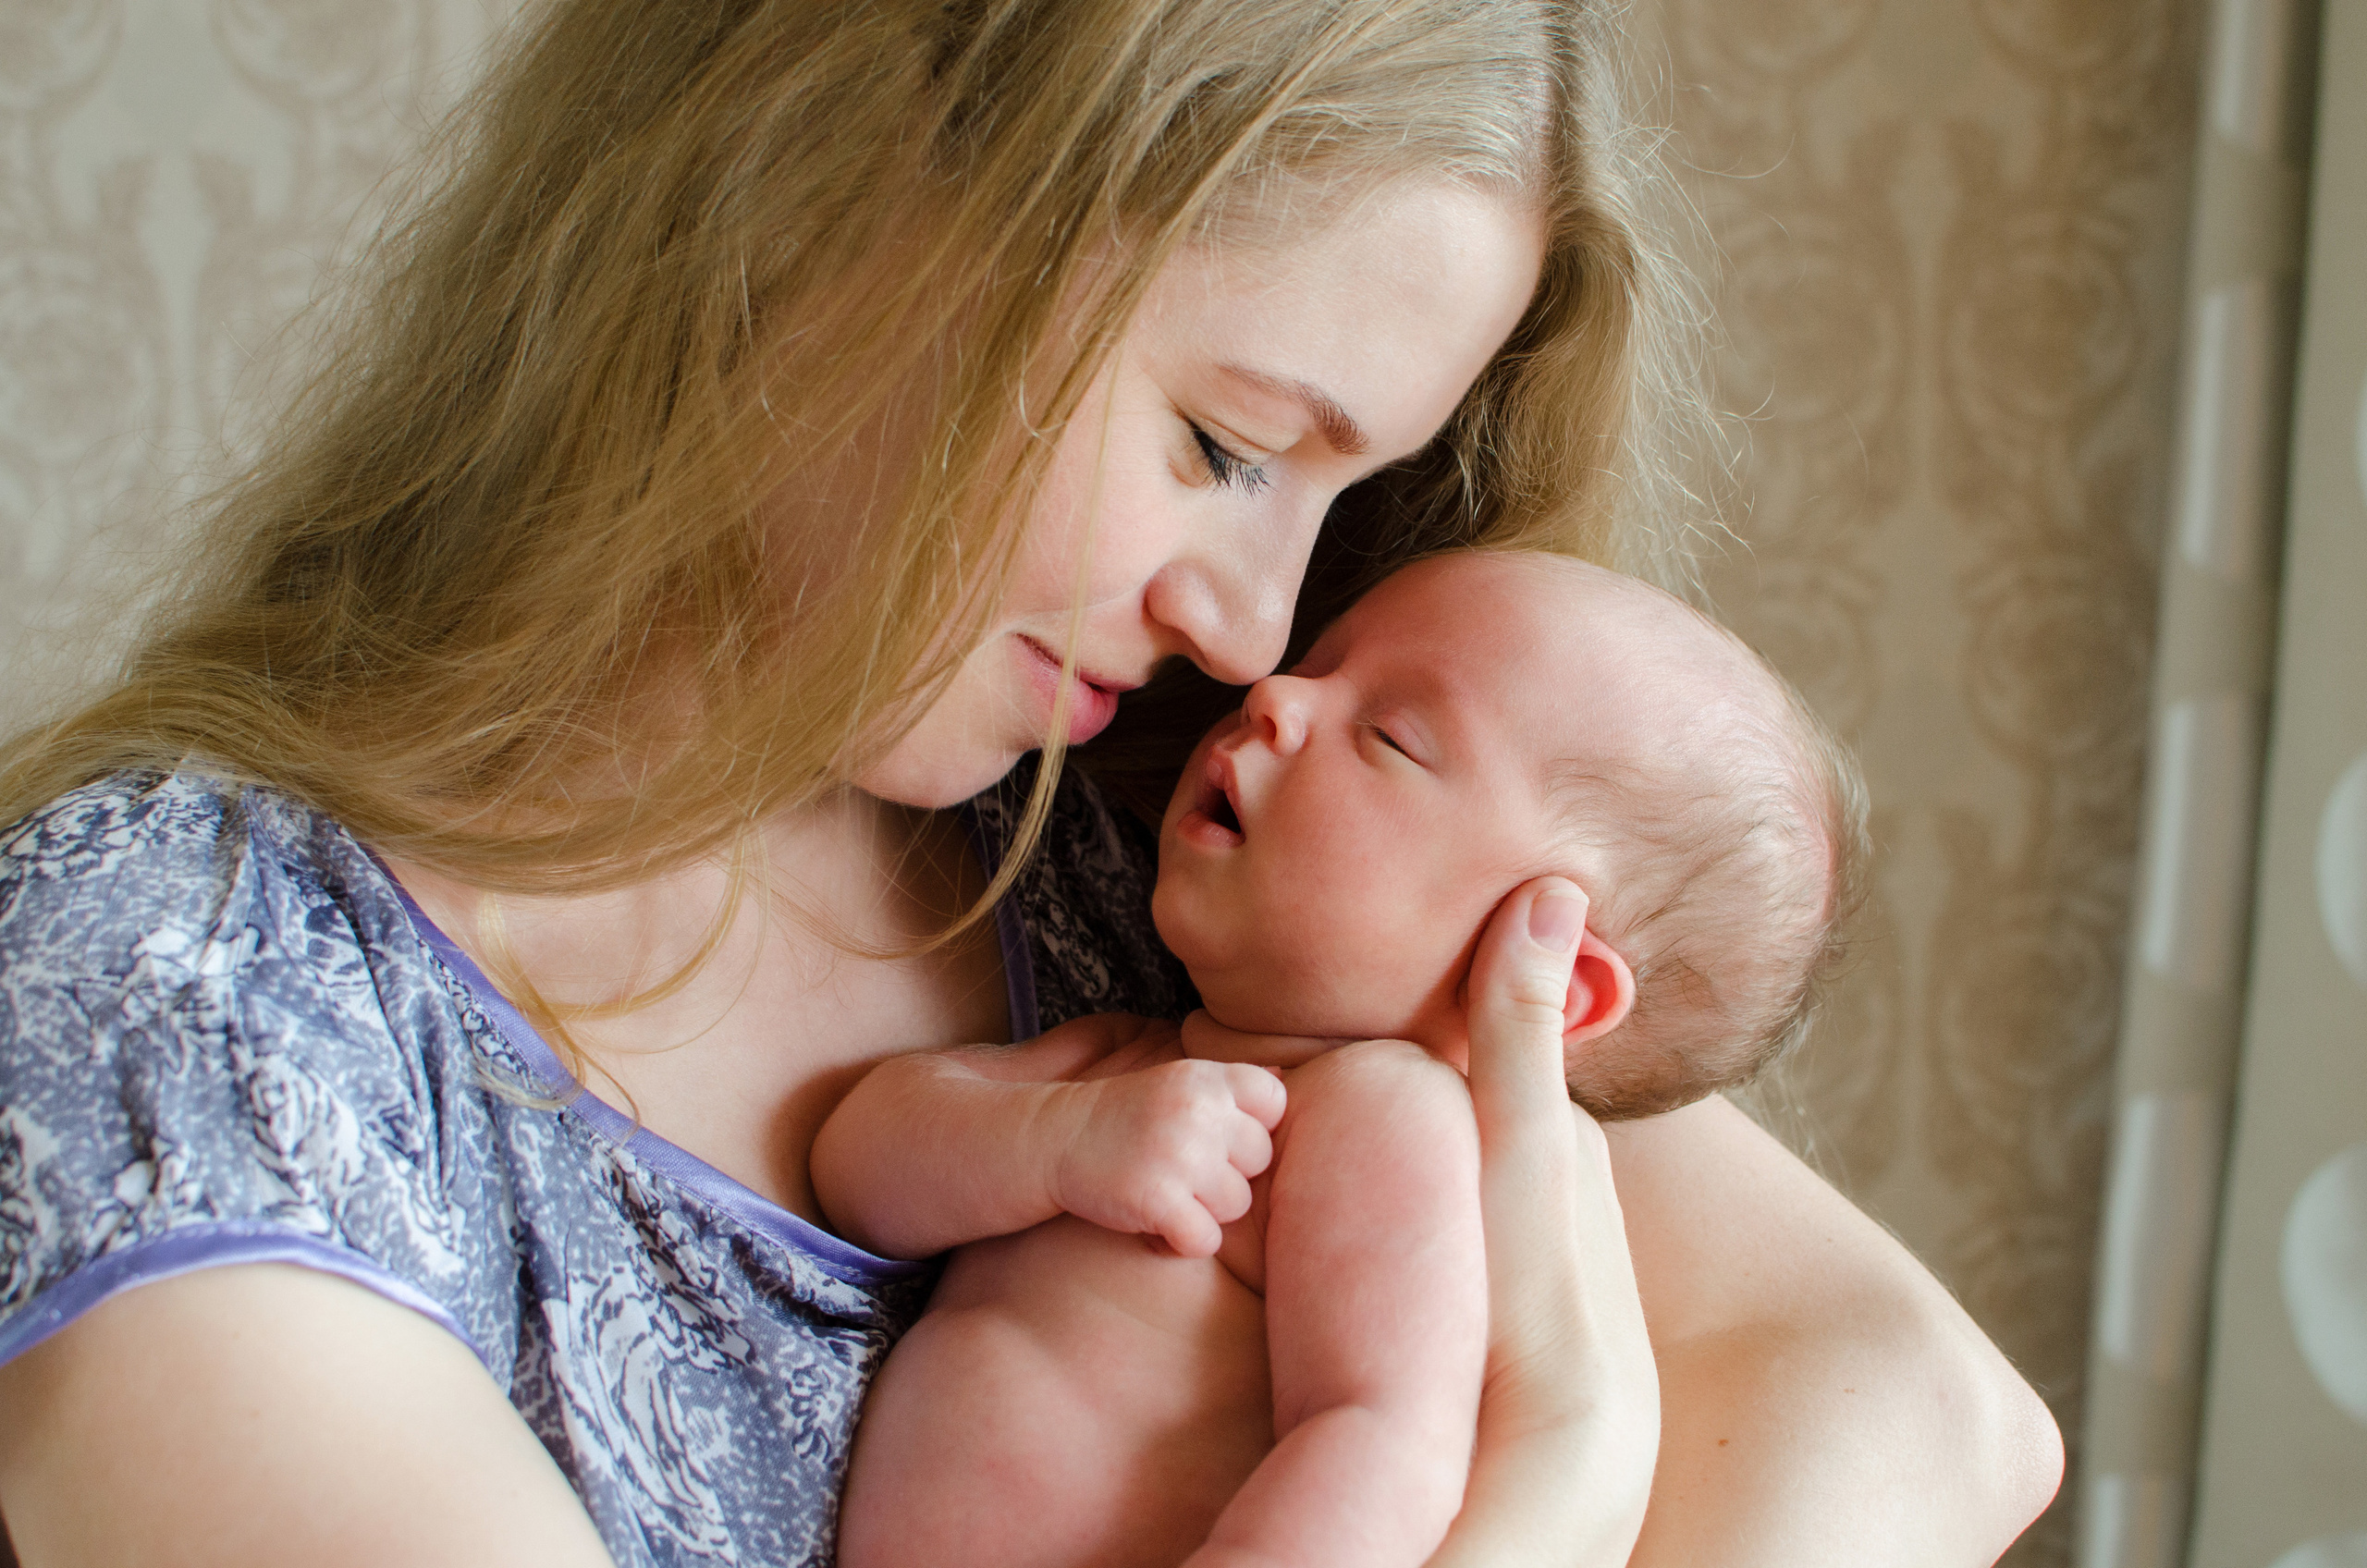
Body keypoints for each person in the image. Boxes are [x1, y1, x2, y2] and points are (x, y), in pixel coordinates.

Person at [0, 4, 2061, 1566]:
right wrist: (1555, 1488)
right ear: (823, 188)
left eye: (1339, 497)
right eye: (1223, 445)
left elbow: (1920, 1409)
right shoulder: (180, 991)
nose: (1256, 634)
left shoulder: (1173, 858)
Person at [819, 549, 1869, 1568]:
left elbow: (1380, 1444)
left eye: (1391, 738)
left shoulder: (1385, 1121)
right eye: (1317, 662)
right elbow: (856, 1172)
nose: (1273, 694)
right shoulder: (1138, 1057)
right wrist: (1053, 1143)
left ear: (1550, 971)